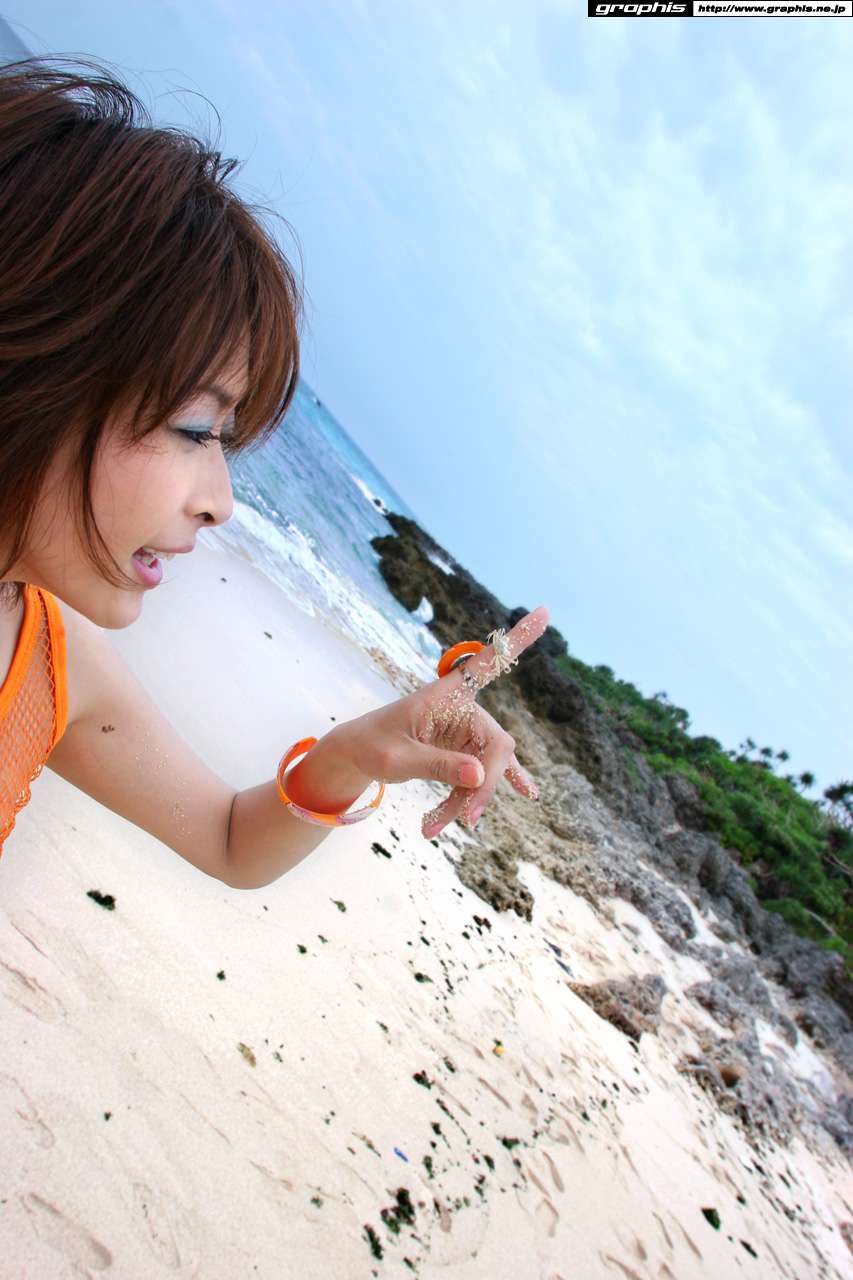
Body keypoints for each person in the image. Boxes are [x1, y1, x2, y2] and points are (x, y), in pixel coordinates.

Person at [0, 58, 548, 890]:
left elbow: (229, 840)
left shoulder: (44, 656)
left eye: (224, 438)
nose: (220, 501)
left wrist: (352, 751)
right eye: (194, 428)